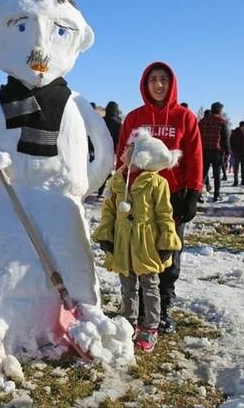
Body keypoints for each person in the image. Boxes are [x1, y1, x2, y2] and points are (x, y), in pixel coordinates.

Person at [116, 61, 202, 334]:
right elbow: (123, 154)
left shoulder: (185, 118)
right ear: (145, 83)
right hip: (140, 196)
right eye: (153, 79)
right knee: (139, 250)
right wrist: (119, 185)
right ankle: (141, 305)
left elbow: (195, 156)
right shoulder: (133, 117)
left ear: (171, 83)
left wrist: (193, 192)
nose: (158, 84)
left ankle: (163, 307)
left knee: (168, 250)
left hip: (173, 197)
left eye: (163, 79)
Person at [93, 128, 182, 352]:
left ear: (142, 154)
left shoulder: (157, 183)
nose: (124, 149)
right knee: (127, 285)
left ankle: (150, 327)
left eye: (130, 147)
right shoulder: (117, 180)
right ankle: (128, 322)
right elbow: (109, 210)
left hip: (146, 243)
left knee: (150, 285)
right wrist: (106, 234)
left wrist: (167, 241)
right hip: (124, 241)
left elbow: (164, 214)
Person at [198, 102, 229, 202]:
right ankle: (216, 195)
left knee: (202, 175)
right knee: (217, 175)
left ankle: (198, 194)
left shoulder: (202, 122)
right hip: (217, 152)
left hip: (203, 151)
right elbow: (225, 139)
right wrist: (227, 152)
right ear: (220, 110)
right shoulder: (221, 122)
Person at [97, 100, 122, 198]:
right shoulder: (118, 123)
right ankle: (105, 191)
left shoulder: (101, 120)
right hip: (112, 150)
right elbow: (119, 138)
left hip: (100, 148)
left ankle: (99, 190)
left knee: (100, 168)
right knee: (109, 170)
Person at [230, 121, 244, 187]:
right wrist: (232, 150)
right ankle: (235, 181)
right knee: (236, 167)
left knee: (243, 167)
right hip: (237, 152)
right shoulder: (235, 132)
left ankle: (243, 180)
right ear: (240, 126)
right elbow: (231, 141)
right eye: (243, 127)